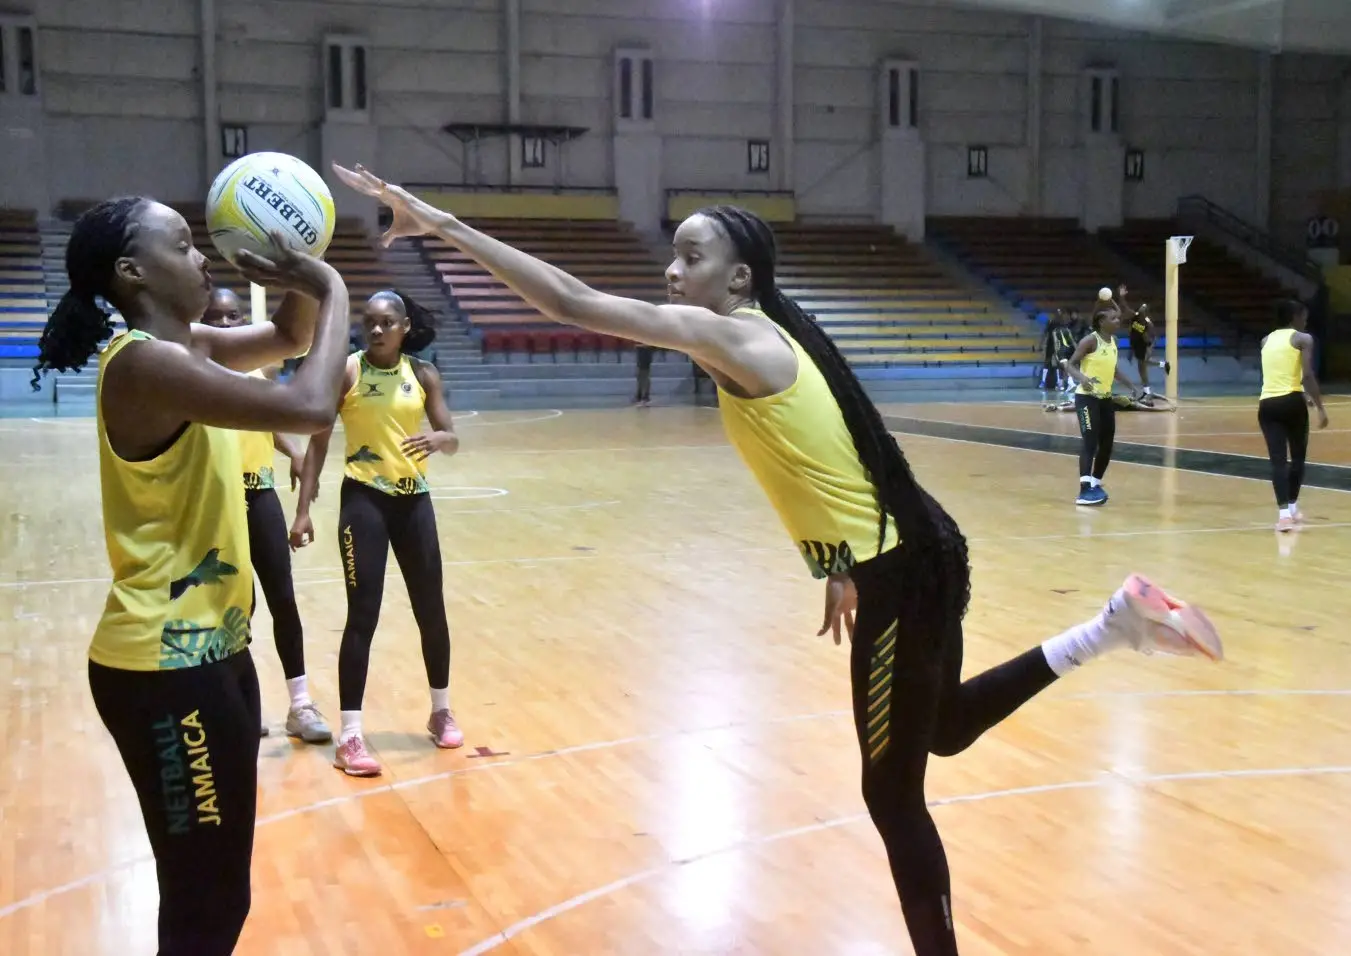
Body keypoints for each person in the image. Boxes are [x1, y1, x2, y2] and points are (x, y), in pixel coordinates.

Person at [332, 162, 1225, 956]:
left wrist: (438, 224)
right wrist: (835, 561)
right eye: (672, 257)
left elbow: (568, 302)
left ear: (739, 277)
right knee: (941, 730)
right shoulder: (769, 335)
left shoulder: (738, 337)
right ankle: (1111, 625)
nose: (671, 272)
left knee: (893, 799)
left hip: (902, 575)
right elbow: (826, 456)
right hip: (910, 550)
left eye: (689, 257)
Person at [28, 198, 350, 954]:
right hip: (164, 671)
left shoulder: (186, 349)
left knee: (217, 898)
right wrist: (332, 284)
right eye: (183, 243)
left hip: (216, 656)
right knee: (205, 906)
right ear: (133, 272)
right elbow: (306, 404)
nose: (202, 255)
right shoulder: (146, 364)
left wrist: (297, 261)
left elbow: (288, 337)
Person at [289, 289, 463, 777]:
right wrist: (303, 510)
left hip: (414, 503)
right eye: (370, 322)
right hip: (364, 502)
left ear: (405, 326)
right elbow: (317, 445)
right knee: (362, 615)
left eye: (387, 322)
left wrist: (440, 438)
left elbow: (451, 438)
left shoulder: (423, 375)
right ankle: (350, 737)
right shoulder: (347, 371)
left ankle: (440, 709)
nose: (378, 330)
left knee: (432, 610)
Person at [200, 287, 332, 743]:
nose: (225, 325)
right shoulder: (193, 373)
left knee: (283, 598)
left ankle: (300, 704)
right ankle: (241, 701)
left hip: (259, 496)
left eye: (233, 316)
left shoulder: (264, 366)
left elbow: (263, 416)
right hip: (216, 503)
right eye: (215, 318)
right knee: (234, 606)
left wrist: (293, 450)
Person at [1259, 298, 1328, 532]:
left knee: (1277, 461)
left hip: (1267, 404)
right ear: (1294, 317)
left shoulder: (1265, 340)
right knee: (1297, 458)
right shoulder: (1303, 339)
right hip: (1291, 403)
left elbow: (1277, 375)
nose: (1305, 322)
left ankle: (1284, 516)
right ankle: (1292, 505)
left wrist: (1302, 395)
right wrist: (1320, 406)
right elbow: (1307, 376)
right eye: (1303, 317)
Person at [1064, 305, 1138, 506]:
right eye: (1113, 319)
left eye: (1117, 319)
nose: (1117, 321)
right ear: (1101, 322)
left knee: (1107, 444)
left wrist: (1131, 385)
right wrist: (1082, 378)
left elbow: (1113, 369)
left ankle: (1095, 483)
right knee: (1090, 442)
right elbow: (1069, 364)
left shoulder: (1113, 341)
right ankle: (1084, 491)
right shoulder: (1090, 341)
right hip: (1087, 399)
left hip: (1105, 399)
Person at [1117, 285, 1170, 404]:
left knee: (1142, 367)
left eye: (1143, 308)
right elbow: (1124, 307)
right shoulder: (1134, 316)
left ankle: (1147, 391)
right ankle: (1163, 364)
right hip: (1135, 344)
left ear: (1145, 313)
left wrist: (1150, 348)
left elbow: (1154, 337)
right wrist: (1121, 297)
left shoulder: (1148, 324)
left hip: (1143, 346)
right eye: (1141, 307)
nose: (1141, 308)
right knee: (1143, 365)